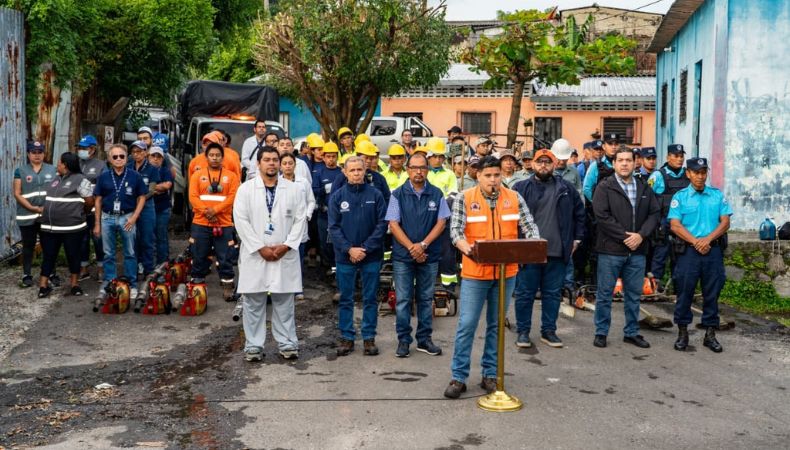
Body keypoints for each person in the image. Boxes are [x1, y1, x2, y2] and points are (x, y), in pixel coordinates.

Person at [443, 155, 540, 399]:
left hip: (507, 273)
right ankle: (458, 377)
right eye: (488, 176)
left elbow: (530, 227)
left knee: (496, 325)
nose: (493, 180)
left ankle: (490, 374)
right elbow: (455, 232)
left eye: (497, 175)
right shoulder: (465, 198)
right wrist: (468, 248)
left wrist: (533, 244)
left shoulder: (514, 197)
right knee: (467, 324)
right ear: (478, 176)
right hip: (476, 273)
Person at [234, 146, 307, 362]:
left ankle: (287, 343)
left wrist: (287, 245)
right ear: (258, 163)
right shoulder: (246, 190)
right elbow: (241, 221)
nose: (272, 163)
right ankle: (253, 346)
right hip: (255, 255)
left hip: (284, 253)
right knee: (253, 303)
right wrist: (260, 247)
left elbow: (300, 220)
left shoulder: (293, 190)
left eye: (275, 159)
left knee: (284, 303)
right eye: (267, 159)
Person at [511, 150, 584, 348]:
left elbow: (580, 215)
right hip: (529, 251)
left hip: (557, 251)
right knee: (525, 294)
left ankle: (549, 331)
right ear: (532, 164)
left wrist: (576, 240)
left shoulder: (566, 188)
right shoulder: (520, 188)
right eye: (539, 161)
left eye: (548, 162)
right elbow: (511, 218)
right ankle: (523, 332)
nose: (543, 165)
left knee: (552, 294)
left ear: (554, 164)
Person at [591, 145, 660, 349]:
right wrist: (625, 237)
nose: (624, 164)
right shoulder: (604, 187)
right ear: (614, 163)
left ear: (635, 163)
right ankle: (601, 332)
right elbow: (602, 216)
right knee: (605, 294)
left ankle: (631, 332)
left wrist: (641, 235)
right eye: (620, 160)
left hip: (637, 251)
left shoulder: (644, 187)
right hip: (610, 250)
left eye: (628, 160)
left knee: (633, 295)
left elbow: (654, 213)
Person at [387, 152, 449, 357]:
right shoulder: (397, 194)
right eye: (414, 168)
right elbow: (393, 224)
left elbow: (441, 222)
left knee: (425, 298)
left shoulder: (437, 194)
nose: (418, 172)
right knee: (403, 300)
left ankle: (424, 339)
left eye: (422, 167)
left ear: (427, 170)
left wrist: (423, 245)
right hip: (403, 257)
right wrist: (412, 248)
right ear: (408, 170)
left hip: (429, 256)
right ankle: (404, 341)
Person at [669, 157, 732, 353]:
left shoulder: (716, 195)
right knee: (684, 292)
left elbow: (725, 222)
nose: (700, 176)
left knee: (712, 293)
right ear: (688, 174)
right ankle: (683, 333)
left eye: (703, 172)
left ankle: (710, 334)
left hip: (712, 251)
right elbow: (675, 225)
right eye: (696, 172)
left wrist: (707, 239)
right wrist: (696, 241)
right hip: (689, 252)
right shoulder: (680, 197)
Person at [328, 156, 388, 357]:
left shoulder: (376, 195)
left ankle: (369, 338)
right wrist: (349, 249)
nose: (356, 173)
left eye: (359, 170)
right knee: (346, 298)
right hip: (345, 257)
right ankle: (347, 338)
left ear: (365, 171)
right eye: (352, 170)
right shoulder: (337, 197)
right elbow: (333, 228)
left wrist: (365, 249)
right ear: (345, 172)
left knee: (370, 298)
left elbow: (382, 224)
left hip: (371, 256)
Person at [36, 153, 94, 297]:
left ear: (65, 165)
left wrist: (81, 213)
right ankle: (43, 286)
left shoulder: (81, 180)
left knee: (73, 255)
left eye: (59, 162)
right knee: (48, 256)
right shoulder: (55, 179)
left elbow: (89, 202)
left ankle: (74, 285)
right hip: (49, 228)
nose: (57, 165)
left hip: (72, 228)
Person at [93, 144, 147, 299]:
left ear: (126, 158)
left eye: (121, 156)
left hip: (127, 217)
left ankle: (132, 284)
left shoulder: (134, 176)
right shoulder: (103, 176)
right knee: (108, 253)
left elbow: (142, 197)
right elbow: (98, 200)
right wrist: (97, 223)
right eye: (115, 156)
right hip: (107, 217)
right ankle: (111, 283)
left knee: (130, 252)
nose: (118, 159)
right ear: (109, 159)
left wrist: (134, 217)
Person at [188, 143, 240, 300]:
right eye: (212, 155)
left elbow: (232, 197)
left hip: (223, 223)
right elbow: (193, 197)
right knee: (198, 255)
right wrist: (207, 212)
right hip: (201, 223)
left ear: (222, 157)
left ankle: (227, 286)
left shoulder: (232, 176)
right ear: (206, 157)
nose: (215, 158)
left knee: (225, 257)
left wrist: (215, 211)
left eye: (218, 155)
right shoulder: (197, 175)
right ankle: (197, 286)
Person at [14, 141, 57, 288]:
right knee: (28, 245)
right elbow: (17, 193)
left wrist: (46, 208)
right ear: (28, 154)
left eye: (40, 152)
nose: (37, 155)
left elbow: (57, 191)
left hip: (47, 214)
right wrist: (33, 208)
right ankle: (27, 274)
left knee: (49, 245)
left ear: (44, 154)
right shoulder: (20, 170)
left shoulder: (53, 170)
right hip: (27, 214)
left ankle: (51, 273)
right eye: (34, 152)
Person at [647, 144, 690, 290]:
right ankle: (653, 288)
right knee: (660, 256)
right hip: (663, 223)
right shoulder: (658, 176)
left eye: (681, 156)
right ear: (668, 157)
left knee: (680, 257)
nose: (679, 159)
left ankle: (679, 289)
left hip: (682, 223)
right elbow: (647, 198)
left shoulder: (688, 174)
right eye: (676, 156)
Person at [280, 152, 315, 300]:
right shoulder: (277, 182)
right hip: (283, 225)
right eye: (285, 163)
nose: (288, 166)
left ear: (295, 165)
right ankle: (282, 286)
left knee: (298, 257)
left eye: (290, 163)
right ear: (280, 166)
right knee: (283, 258)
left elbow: (311, 201)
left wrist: (307, 215)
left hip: (300, 225)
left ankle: (297, 288)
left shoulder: (303, 182)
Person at [425, 137, 459, 289]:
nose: (438, 160)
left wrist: (438, 206)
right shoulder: (423, 172)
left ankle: (448, 284)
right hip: (425, 218)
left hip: (444, 217)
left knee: (447, 252)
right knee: (425, 249)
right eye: (435, 156)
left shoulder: (449, 174)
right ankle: (424, 285)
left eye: (441, 157)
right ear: (428, 157)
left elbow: (453, 194)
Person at [127, 140, 160, 288]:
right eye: (134, 152)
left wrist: (139, 199)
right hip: (130, 207)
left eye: (139, 151)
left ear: (145, 152)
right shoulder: (128, 167)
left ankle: (148, 270)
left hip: (147, 207)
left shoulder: (152, 169)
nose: (136, 154)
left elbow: (151, 190)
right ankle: (133, 270)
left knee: (147, 239)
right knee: (132, 240)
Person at [312, 142, 343, 273]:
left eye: (333, 156)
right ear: (323, 157)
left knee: (339, 242)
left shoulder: (342, 173)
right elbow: (314, 190)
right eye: (328, 156)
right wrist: (325, 189)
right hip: (324, 214)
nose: (331, 159)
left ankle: (338, 268)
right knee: (325, 243)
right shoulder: (319, 173)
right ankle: (328, 267)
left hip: (340, 215)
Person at [149, 147, 174, 265]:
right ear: (148, 157)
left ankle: (163, 264)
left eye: (158, 157)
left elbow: (167, 185)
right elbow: (141, 187)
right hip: (147, 209)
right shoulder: (144, 171)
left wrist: (150, 188)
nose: (155, 159)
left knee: (161, 236)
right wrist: (157, 188)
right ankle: (151, 264)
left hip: (162, 208)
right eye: (153, 156)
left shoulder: (165, 171)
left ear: (162, 159)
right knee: (149, 237)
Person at [583, 133, 619, 202]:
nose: (613, 147)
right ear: (604, 146)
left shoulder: (623, 164)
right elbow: (586, 188)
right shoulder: (595, 165)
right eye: (610, 144)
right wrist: (598, 203)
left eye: (616, 144)